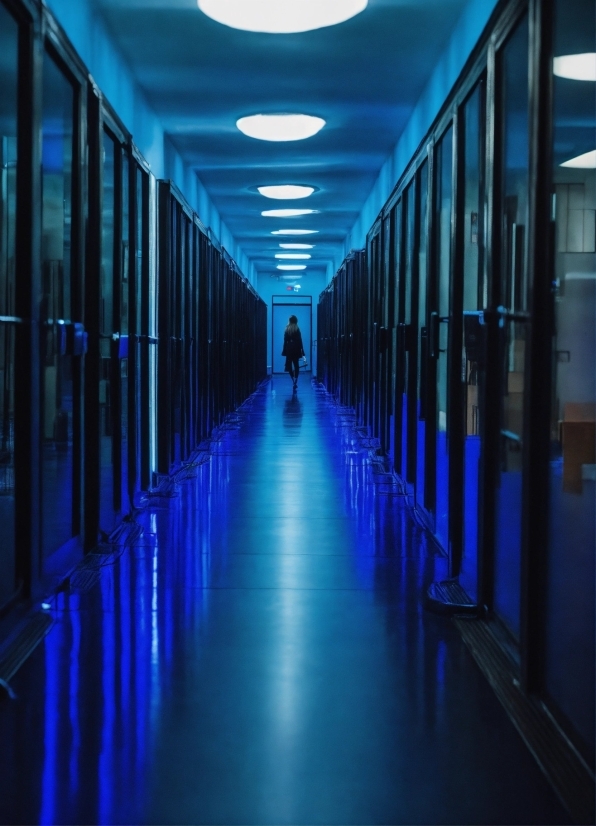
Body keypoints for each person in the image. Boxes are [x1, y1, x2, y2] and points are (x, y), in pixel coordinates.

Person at [281, 315, 305, 390]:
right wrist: (302, 350)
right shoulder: (297, 329)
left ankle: (293, 380)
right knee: (296, 365)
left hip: (289, 348)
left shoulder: (287, 329)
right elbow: (300, 340)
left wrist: (284, 350)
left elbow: (285, 341)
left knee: (289, 365)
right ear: (296, 321)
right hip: (296, 348)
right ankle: (296, 380)